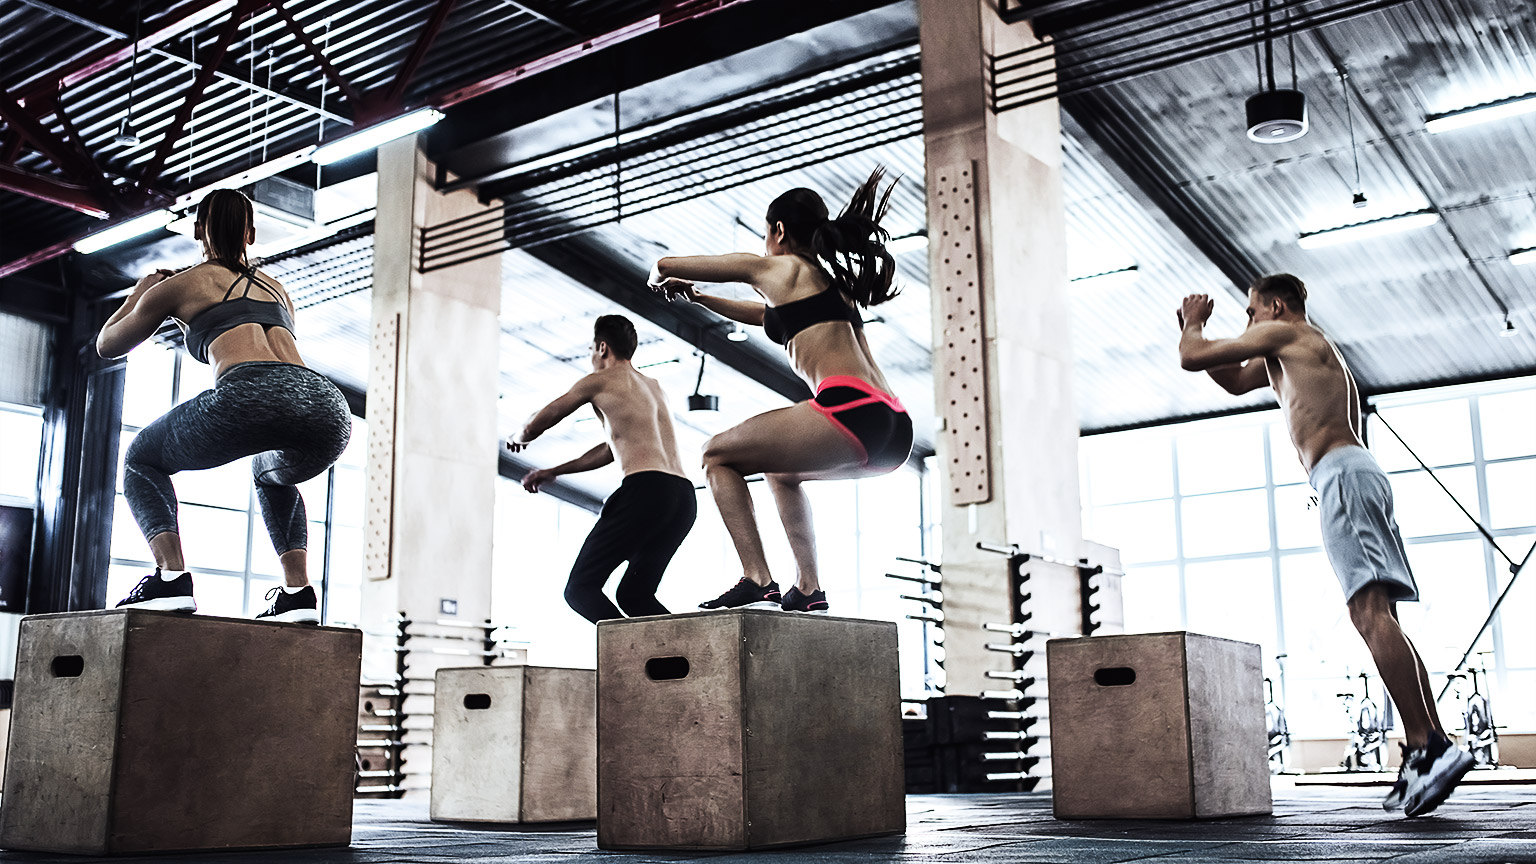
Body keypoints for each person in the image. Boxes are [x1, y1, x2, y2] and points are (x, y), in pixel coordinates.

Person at [1177, 274, 1473, 817]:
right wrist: (1197, 336)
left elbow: (1193, 358)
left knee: (1368, 615)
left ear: (1276, 305)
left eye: (1250, 312)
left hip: (1342, 474)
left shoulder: (1291, 335)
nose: (1247, 323)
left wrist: (1193, 322)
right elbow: (1230, 380)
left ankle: (1425, 747)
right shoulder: (1292, 352)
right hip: (1353, 473)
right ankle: (1432, 741)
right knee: (1379, 615)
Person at [649, 167, 913, 614]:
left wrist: (660, 279)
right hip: (893, 430)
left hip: (850, 409)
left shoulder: (775, 267)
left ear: (779, 230)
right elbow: (764, 316)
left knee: (715, 454)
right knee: (780, 471)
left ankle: (756, 578)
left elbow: (665, 264)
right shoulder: (833, 286)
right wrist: (699, 298)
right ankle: (808, 588)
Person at [96, 189, 351, 624]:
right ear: (250, 234)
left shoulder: (182, 284)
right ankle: (297, 594)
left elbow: (107, 345)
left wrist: (138, 295)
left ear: (197, 229)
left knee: (141, 459)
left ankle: (171, 579)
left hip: (249, 391)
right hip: (327, 406)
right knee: (269, 472)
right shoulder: (279, 290)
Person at [507, 315, 695, 623]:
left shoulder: (600, 380)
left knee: (580, 589)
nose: (592, 357)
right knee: (636, 596)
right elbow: (611, 449)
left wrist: (517, 437)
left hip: (645, 491)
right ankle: (689, 662)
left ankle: (631, 661)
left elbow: (538, 421)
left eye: (592, 350)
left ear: (602, 348)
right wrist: (554, 470)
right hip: (682, 497)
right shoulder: (654, 387)